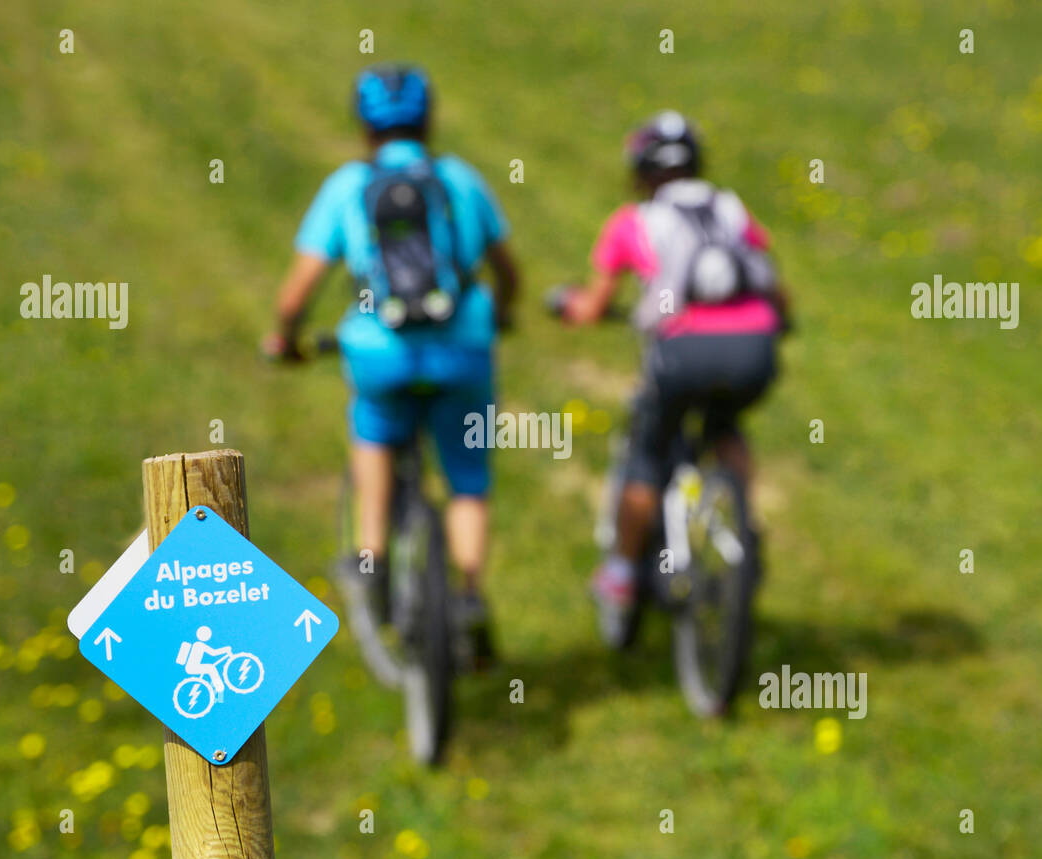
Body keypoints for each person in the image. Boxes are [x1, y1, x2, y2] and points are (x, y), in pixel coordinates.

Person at [263, 64, 518, 663]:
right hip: (463, 348)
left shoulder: (348, 187)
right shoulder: (459, 179)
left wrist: (286, 340)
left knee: (373, 435)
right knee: (466, 478)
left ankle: (371, 558)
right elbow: (508, 270)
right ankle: (471, 593)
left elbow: (294, 294)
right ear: (429, 119)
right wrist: (502, 313)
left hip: (380, 351)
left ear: (361, 125)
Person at [553, 110, 788, 637]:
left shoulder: (635, 222)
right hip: (754, 345)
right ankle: (743, 530)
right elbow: (767, 276)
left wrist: (570, 307)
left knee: (647, 455)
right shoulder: (730, 208)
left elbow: (594, 305)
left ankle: (618, 573)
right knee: (725, 427)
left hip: (683, 352)